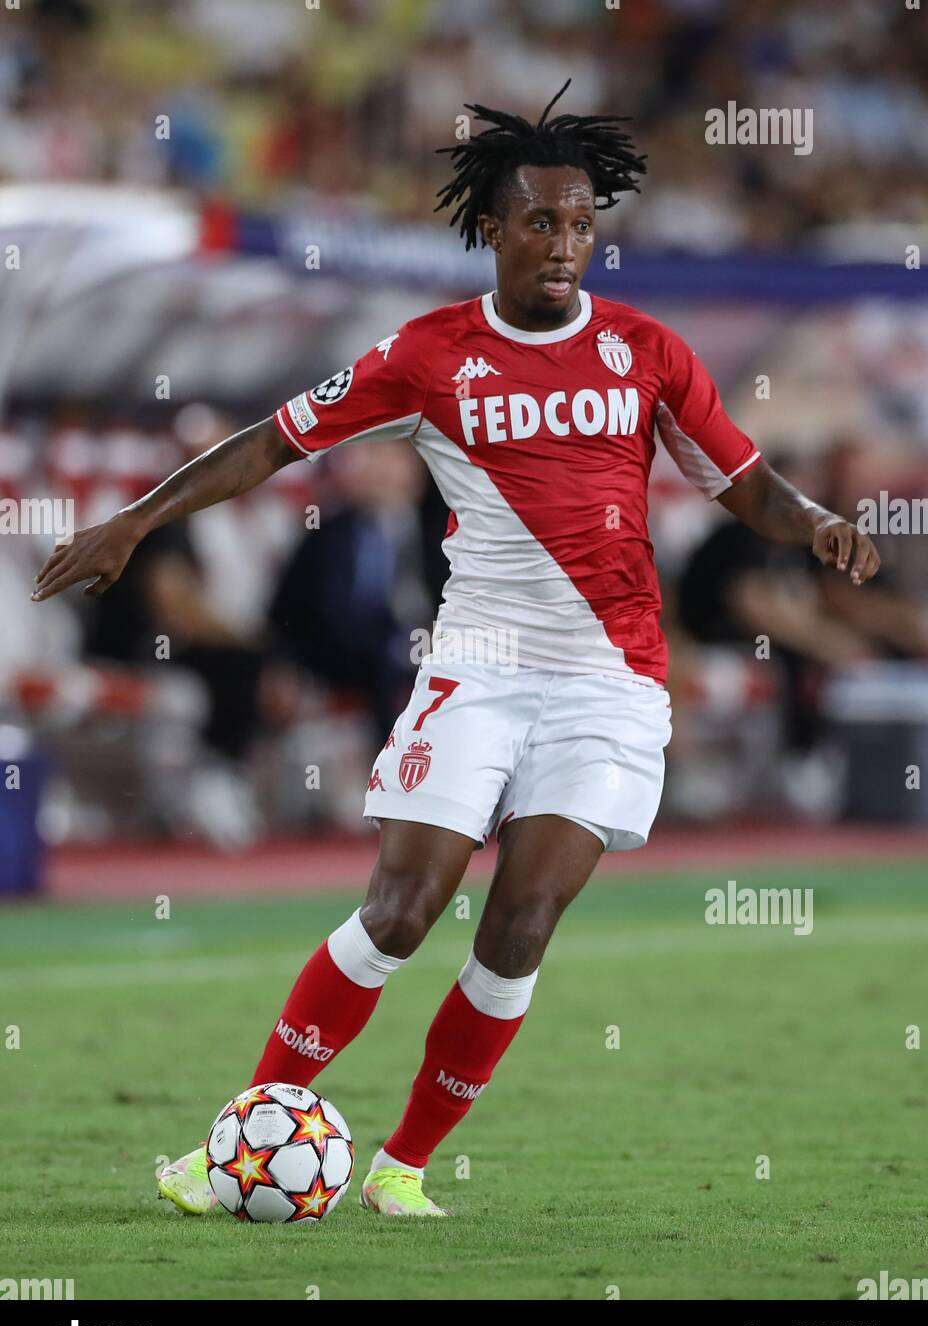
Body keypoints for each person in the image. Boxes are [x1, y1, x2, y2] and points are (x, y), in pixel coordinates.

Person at [33, 83, 880, 1218]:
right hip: (477, 667)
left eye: (582, 223)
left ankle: (405, 1167)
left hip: (612, 681)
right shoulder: (429, 354)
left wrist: (815, 523)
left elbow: (745, 483)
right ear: (492, 225)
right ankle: (234, 1142)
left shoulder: (647, 352)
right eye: (542, 221)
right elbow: (267, 444)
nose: (565, 243)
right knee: (402, 907)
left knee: (522, 922)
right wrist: (135, 518)